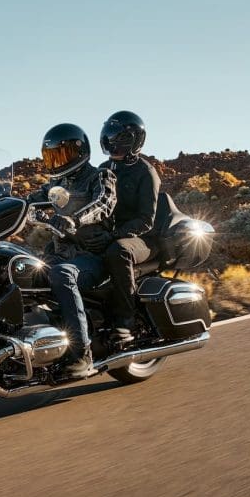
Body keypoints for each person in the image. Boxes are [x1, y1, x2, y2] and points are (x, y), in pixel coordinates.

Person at [29, 123, 116, 377]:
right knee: (18, 269)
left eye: (62, 154)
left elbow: (104, 203)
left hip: (92, 256)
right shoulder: (55, 184)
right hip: (61, 253)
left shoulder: (100, 176)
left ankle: (81, 353)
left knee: (61, 275)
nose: (58, 161)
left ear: (80, 151)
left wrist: (75, 220)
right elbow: (31, 201)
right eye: (52, 156)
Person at [98, 111, 160, 343]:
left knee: (118, 251)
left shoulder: (145, 172)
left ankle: (126, 322)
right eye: (112, 139)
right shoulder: (104, 169)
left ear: (135, 141)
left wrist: (115, 235)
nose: (114, 144)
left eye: (121, 139)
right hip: (112, 233)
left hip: (143, 239)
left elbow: (146, 220)